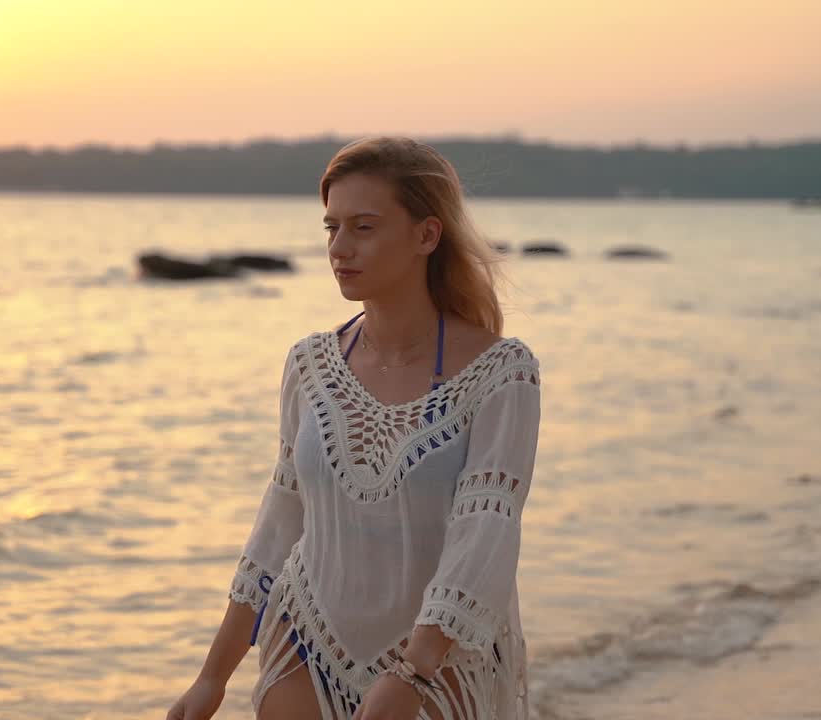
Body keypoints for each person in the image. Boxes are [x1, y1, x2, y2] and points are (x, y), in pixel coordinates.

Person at [166, 137, 541, 720]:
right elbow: (281, 518)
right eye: (331, 228)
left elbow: (485, 534)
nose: (340, 249)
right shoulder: (310, 365)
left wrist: (413, 672)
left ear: (426, 235)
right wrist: (212, 675)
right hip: (307, 635)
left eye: (364, 228)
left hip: (438, 658)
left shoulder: (500, 373)